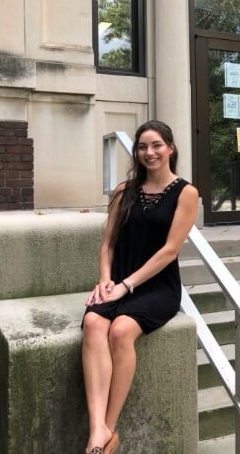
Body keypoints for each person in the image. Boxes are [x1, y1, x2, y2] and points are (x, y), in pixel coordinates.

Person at [81, 120, 198, 454]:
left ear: (170, 148)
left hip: (156, 287)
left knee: (120, 331)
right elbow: (108, 244)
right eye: (143, 147)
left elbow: (169, 251)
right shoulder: (124, 191)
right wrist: (106, 280)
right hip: (117, 281)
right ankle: (98, 431)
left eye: (157, 145)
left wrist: (126, 286)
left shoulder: (185, 193)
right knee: (92, 323)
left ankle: (110, 425)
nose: (150, 152)